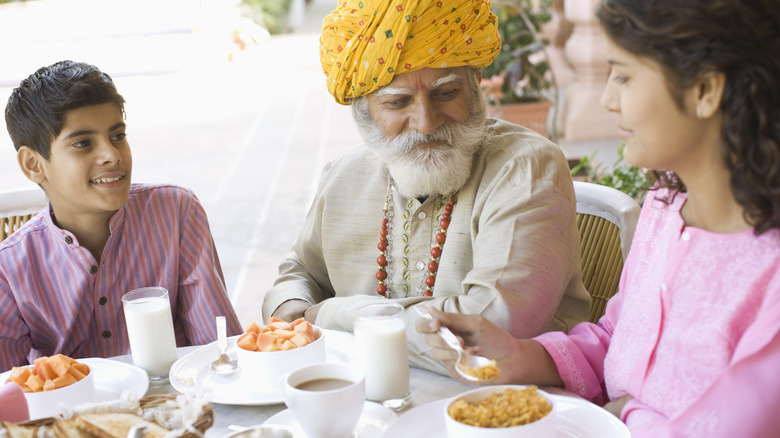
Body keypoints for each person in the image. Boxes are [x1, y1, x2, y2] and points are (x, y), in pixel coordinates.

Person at [417, 0, 780, 435]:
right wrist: (521, 356)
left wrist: (622, 415)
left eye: (624, 76)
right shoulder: (666, 209)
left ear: (705, 90)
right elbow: (620, 338)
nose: (608, 98)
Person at [261, 0, 591, 372]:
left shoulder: (524, 167)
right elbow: (301, 272)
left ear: (476, 84)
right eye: (398, 102)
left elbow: (492, 329)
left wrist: (330, 314)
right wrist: (289, 306)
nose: (426, 122)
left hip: (505, 406)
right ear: (364, 109)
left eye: (446, 93)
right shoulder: (344, 174)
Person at [0, 61, 242, 372]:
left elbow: (218, 350)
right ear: (34, 165)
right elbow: (9, 391)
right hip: (69, 417)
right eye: (83, 143)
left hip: (180, 409)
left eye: (117, 135)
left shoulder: (176, 213)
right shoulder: (9, 270)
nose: (112, 155)